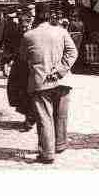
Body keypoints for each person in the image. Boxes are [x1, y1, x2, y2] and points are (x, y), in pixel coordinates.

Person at [22, 11, 78, 164]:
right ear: (49, 20)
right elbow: (73, 53)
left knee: (44, 118)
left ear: (35, 21)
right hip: (63, 80)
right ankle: (59, 145)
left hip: (41, 82)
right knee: (61, 115)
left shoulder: (28, 36)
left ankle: (47, 153)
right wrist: (60, 71)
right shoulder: (62, 32)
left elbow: (23, 57)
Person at [6, 5, 37, 131]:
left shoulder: (36, 32)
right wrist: (7, 61)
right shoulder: (16, 32)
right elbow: (10, 46)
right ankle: (28, 117)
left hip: (32, 66)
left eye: (27, 22)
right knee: (20, 91)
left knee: (31, 92)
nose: (24, 26)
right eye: (22, 23)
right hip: (20, 66)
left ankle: (30, 118)